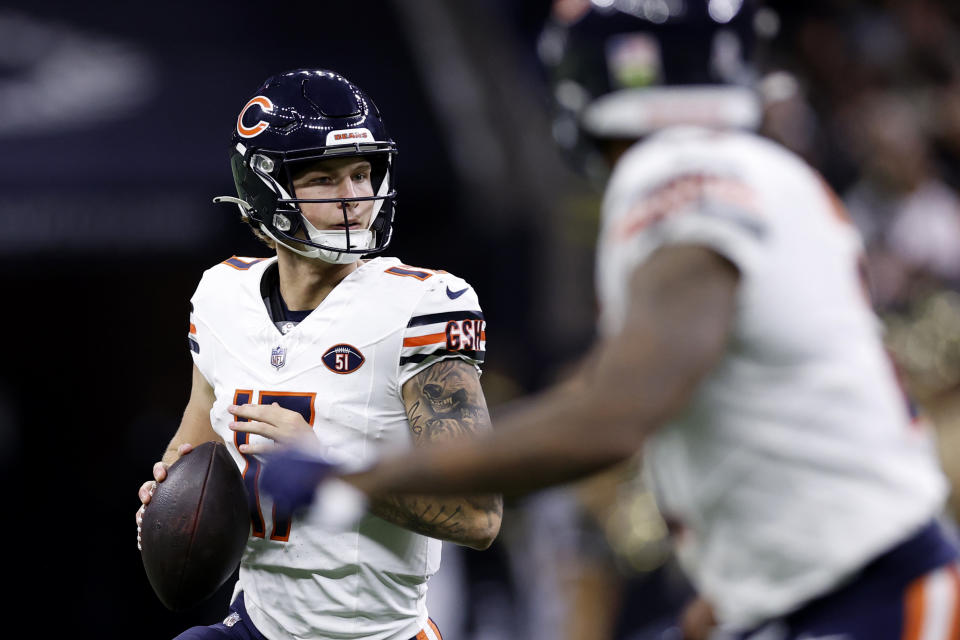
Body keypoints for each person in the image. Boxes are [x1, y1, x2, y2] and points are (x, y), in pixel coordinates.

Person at [258, 5, 960, 639]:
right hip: (835, 589)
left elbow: (613, 416)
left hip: (870, 595)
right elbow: (720, 401)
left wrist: (363, 474)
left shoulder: (676, 176)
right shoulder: (761, 171)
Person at [135, 68, 503, 640]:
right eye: (325, 179)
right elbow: (198, 445)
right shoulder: (221, 297)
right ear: (266, 188)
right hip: (256, 624)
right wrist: (170, 498)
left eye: (362, 173)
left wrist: (332, 468)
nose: (354, 198)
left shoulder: (421, 304)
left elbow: (479, 514)